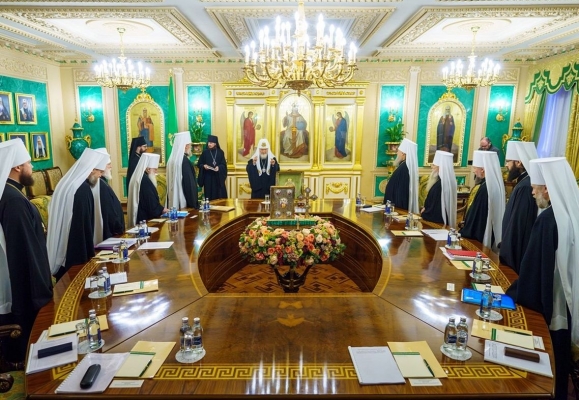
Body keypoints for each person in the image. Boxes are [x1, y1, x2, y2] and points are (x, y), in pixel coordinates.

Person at [506, 157, 579, 400]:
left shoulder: (548, 219)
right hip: (569, 301)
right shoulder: (570, 212)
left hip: (552, 303)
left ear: (547, 188)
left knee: (550, 362)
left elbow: (534, 269)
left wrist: (512, 293)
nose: (532, 192)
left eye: (535, 188)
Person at [0, 139, 53, 368]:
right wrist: (41, 290)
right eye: (29, 163)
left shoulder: (12, 193)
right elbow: (24, 251)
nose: (32, 167)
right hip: (25, 287)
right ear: (17, 166)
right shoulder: (13, 200)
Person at [47, 148, 109, 281]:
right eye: (100, 171)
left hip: (61, 246)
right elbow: (82, 227)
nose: (100, 175)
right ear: (92, 169)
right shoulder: (83, 189)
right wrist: (88, 256)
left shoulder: (69, 183)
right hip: (74, 253)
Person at [499, 141, 538, 274]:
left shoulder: (525, 186)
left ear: (519, 163)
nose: (506, 165)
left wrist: (507, 249)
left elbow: (519, 223)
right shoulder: (523, 182)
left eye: (508, 161)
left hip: (516, 249)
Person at [459, 150, 505, 250]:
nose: (473, 171)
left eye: (475, 168)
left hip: (479, 237)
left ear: (483, 170)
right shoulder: (491, 184)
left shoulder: (485, 188)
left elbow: (477, 216)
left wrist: (464, 231)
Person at [92, 148, 125, 243]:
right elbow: (107, 209)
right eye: (108, 164)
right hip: (109, 232)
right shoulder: (100, 184)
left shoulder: (102, 182)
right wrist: (117, 226)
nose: (111, 166)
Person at [127, 153, 168, 227]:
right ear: (148, 169)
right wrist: (162, 209)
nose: (156, 172)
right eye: (155, 169)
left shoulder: (140, 177)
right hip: (145, 219)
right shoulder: (145, 181)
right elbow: (151, 203)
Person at [420, 150, 457, 227]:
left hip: (437, 224)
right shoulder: (443, 181)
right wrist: (425, 208)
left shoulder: (440, 185)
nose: (431, 167)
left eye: (434, 165)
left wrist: (424, 213)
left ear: (441, 167)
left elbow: (436, 210)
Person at [383, 138, 419, 214]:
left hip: (397, 208)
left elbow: (401, 192)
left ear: (403, 153)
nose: (397, 153)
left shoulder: (404, 168)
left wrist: (398, 211)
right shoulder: (404, 166)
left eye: (398, 151)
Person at [167, 131, 199, 209]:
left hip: (173, 201)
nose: (191, 147)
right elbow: (189, 185)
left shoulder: (170, 160)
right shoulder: (184, 162)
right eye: (190, 145)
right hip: (184, 204)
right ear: (186, 146)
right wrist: (194, 205)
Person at [197, 135, 227, 200]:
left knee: (219, 196)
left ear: (215, 143)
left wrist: (219, 167)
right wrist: (204, 166)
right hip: (208, 178)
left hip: (218, 178)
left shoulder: (220, 152)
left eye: (211, 143)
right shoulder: (205, 152)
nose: (209, 144)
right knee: (209, 196)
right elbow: (199, 164)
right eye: (208, 142)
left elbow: (224, 165)